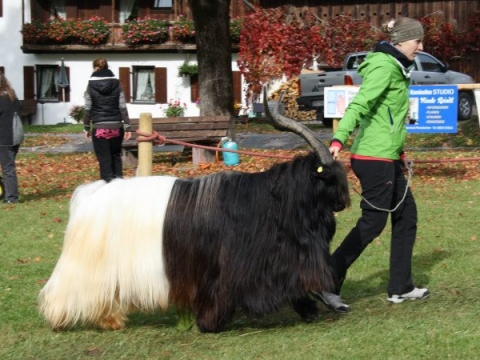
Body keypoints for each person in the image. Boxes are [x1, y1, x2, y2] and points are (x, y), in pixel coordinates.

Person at [312, 17, 430, 313]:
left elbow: (387, 118)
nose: (421, 46)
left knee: (407, 215)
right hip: (373, 159)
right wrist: (338, 139)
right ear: (402, 41)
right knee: (372, 223)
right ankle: (326, 279)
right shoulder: (384, 67)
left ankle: (400, 287)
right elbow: (360, 104)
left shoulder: (399, 67)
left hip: (386, 156)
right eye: (417, 41)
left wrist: (400, 153)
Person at [83, 58, 131, 182]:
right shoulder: (117, 84)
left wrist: (86, 127)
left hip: (99, 129)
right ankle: (119, 186)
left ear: (95, 68)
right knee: (116, 157)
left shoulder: (90, 86)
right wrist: (128, 126)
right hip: (116, 127)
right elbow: (122, 106)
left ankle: (106, 187)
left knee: (104, 160)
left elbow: (88, 108)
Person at [0, 72, 22, 204]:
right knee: (8, 167)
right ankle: (8, 194)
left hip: (4, 138)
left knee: (8, 169)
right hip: (15, 136)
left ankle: (12, 198)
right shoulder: (12, 96)